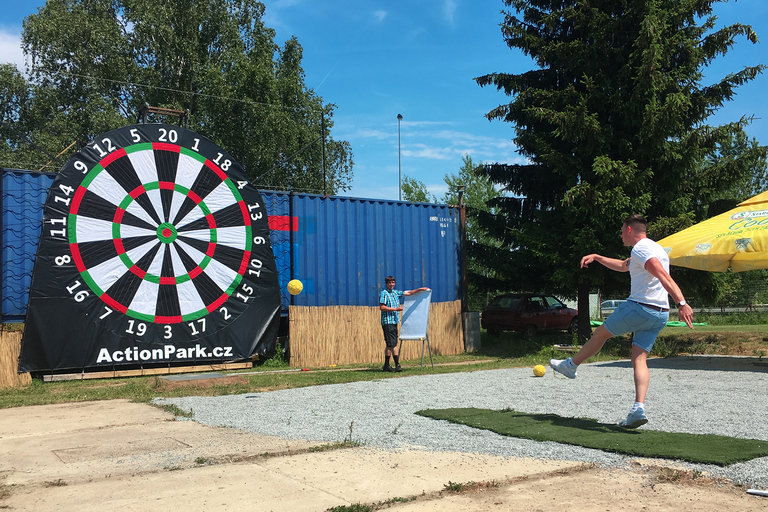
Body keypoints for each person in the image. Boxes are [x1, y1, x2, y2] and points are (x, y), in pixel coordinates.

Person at [550, 215, 694, 428]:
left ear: (628, 229)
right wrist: (597, 257)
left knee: (600, 334)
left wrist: (682, 302)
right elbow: (623, 265)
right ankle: (638, 408)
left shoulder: (641, 249)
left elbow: (663, 275)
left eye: (621, 230)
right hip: (660, 314)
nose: (620, 234)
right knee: (639, 359)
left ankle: (571, 365)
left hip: (639, 308)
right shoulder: (654, 248)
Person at [380, 276, 429, 372]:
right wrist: (395, 309)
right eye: (390, 283)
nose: (392, 284)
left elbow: (408, 293)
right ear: (386, 284)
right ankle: (394, 365)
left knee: (392, 343)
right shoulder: (384, 293)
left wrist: (420, 289)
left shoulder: (395, 293)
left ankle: (389, 365)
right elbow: (382, 307)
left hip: (394, 321)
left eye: (393, 282)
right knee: (391, 343)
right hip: (388, 321)